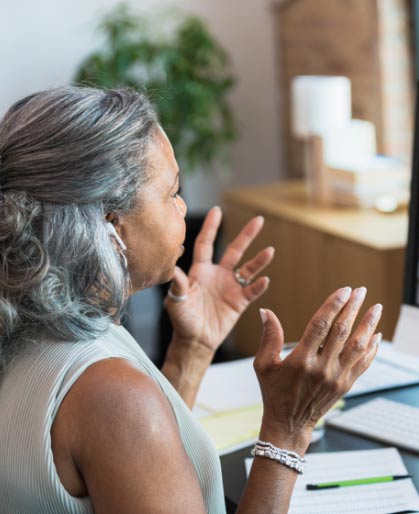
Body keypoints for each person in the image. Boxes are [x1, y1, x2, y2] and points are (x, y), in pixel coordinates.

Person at [0, 86, 382, 514]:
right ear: (110, 225)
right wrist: (288, 428)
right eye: (171, 192)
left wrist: (193, 350)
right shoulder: (110, 394)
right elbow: (122, 421)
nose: (183, 209)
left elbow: (127, 457)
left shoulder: (32, 329)